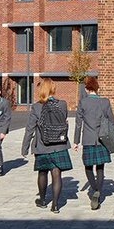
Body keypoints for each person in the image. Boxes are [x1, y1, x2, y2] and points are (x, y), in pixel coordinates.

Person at [21, 78, 72, 213]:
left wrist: (25, 147)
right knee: (57, 174)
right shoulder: (62, 104)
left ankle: (43, 200)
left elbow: (30, 128)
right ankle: (55, 205)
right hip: (59, 145)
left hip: (43, 145)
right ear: (52, 89)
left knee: (42, 173)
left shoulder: (37, 107)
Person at [74, 76, 114, 211]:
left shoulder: (83, 103)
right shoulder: (105, 102)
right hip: (102, 139)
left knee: (88, 167)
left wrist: (76, 141)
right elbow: (111, 121)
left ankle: (94, 189)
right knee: (100, 168)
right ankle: (98, 191)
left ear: (87, 89)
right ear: (97, 89)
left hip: (88, 138)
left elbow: (78, 124)